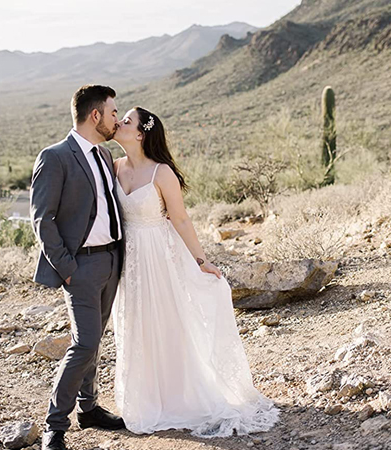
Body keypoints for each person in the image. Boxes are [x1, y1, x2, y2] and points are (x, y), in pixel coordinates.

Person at [111, 106, 280, 438]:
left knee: (166, 322)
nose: (118, 123)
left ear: (141, 134)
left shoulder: (162, 173)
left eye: (126, 121)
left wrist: (201, 261)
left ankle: (182, 396)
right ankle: (147, 397)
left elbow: (181, 219)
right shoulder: (113, 167)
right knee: (136, 325)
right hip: (129, 261)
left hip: (158, 257)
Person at [30, 85, 126, 450]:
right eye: (113, 112)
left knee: (96, 339)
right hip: (80, 266)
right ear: (95, 115)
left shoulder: (102, 155)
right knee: (84, 343)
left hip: (111, 259)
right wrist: (67, 268)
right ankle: (56, 425)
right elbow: (42, 219)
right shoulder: (55, 156)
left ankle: (89, 409)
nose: (117, 119)